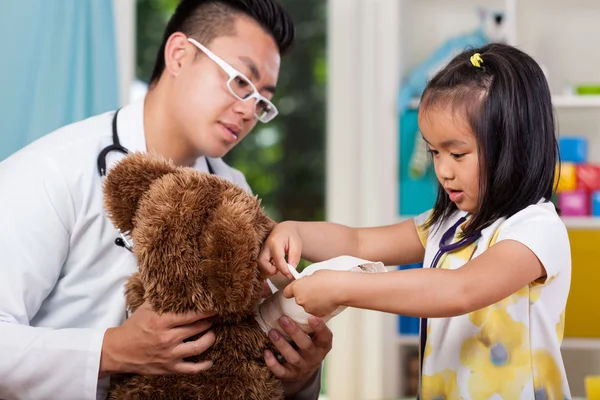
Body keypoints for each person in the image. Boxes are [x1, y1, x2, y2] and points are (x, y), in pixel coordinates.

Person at [0, 1, 332, 399]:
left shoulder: (235, 192)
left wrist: (297, 374)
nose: (248, 110)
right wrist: (112, 350)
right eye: (240, 81)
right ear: (178, 54)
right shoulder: (53, 171)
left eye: (262, 100)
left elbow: (240, 353)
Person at [260, 43, 571, 400]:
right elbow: (359, 243)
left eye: (457, 153)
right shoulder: (449, 224)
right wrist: (294, 231)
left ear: (513, 145)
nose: (442, 170)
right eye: (434, 152)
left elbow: (460, 290)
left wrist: (343, 287)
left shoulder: (537, 229)